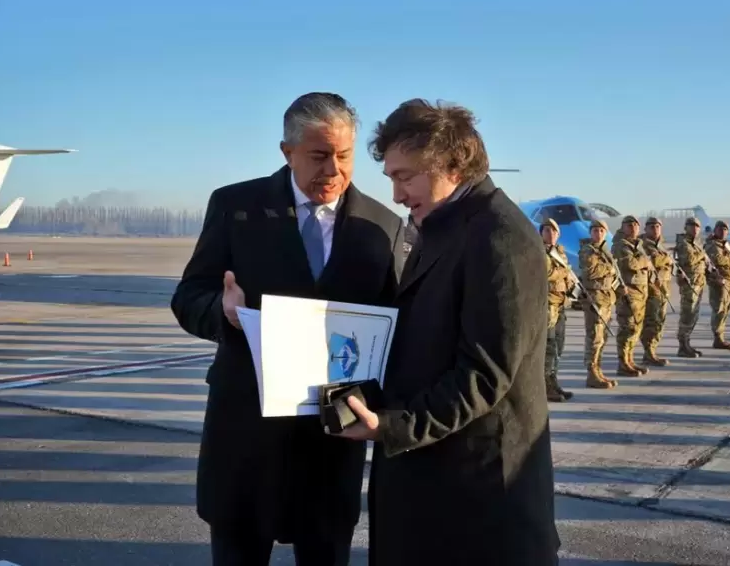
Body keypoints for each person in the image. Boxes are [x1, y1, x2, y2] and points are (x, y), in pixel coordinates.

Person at [170, 92, 405, 566]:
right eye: (319, 156)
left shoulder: (382, 226)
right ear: (287, 152)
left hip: (331, 439)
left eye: (344, 156)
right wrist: (224, 311)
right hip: (246, 433)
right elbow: (188, 297)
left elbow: (394, 326)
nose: (333, 170)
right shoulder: (236, 208)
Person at [331, 98, 560, 566]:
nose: (395, 194)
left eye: (405, 176)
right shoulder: (444, 225)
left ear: (453, 165)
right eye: (391, 177)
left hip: (474, 498)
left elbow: (484, 374)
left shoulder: (499, 236)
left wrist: (394, 425)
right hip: (435, 478)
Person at [577, 218, 618, 388]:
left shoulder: (605, 251)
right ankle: (591, 373)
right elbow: (591, 271)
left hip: (606, 299)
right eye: (595, 230)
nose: (598, 233)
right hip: (594, 300)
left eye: (601, 231)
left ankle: (598, 370)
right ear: (590, 233)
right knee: (594, 337)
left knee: (602, 338)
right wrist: (609, 269)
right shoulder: (587, 250)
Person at [611, 215, 651, 377]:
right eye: (629, 225)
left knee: (636, 328)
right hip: (628, 293)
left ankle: (630, 359)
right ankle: (623, 363)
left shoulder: (638, 245)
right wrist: (645, 261)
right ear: (623, 227)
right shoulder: (620, 245)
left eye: (635, 224)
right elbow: (630, 264)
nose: (633, 227)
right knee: (627, 328)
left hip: (640, 292)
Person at [542, 217, 574, 402]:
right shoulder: (540, 251)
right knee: (549, 347)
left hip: (561, 305)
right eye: (546, 230)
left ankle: (553, 383)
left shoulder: (560, 253)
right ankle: (545, 387)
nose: (550, 234)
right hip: (548, 306)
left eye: (553, 231)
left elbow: (566, 277)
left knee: (558, 347)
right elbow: (547, 272)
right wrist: (565, 272)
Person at [639, 217, 673, 366]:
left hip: (664, 288)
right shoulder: (643, 245)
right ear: (646, 229)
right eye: (651, 226)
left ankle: (653, 350)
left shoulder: (660, 245)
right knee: (652, 322)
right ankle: (648, 352)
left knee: (660, 321)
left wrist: (664, 258)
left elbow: (663, 261)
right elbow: (654, 260)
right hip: (652, 289)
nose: (655, 229)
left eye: (657, 226)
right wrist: (666, 258)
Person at [673, 216, 707, 357]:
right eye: (692, 226)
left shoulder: (696, 244)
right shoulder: (684, 243)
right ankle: (682, 345)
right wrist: (702, 255)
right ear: (686, 228)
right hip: (689, 284)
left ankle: (687, 343)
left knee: (694, 315)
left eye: (697, 226)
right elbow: (690, 259)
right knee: (687, 315)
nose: (695, 229)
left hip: (698, 283)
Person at [703, 220, 730, 350]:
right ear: (715, 230)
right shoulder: (712, 246)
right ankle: (717, 338)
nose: (723, 231)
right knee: (719, 310)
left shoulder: (726, 246)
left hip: (729, 283)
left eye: (725, 229)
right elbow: (708, 266)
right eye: (720, 229)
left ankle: (721, 337)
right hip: (718, 283)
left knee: (725, 310)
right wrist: (715, 279)